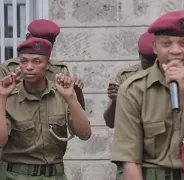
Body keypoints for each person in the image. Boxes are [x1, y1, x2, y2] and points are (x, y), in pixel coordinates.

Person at [111, 10, 184, 180]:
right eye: (166, 44)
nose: (176, 51)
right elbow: (130, 160)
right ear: (154, 47)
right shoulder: (133, 89)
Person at [0, 37, 91, 179]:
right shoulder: (9, 97)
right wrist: (1, 98)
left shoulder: (61, 94)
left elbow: (85, 134)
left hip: (55, 175)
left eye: (36, 61)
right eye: (24, 61)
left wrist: (70, 97)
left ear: (48, 65)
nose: (29, 67)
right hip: (15, 175)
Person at [0, 19, 85, 110]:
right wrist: (14, 85)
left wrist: (77, 92)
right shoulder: (8, 68)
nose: (42, 48)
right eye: (37, 43)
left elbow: (76, 114)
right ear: (27, 37)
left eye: (48, 45)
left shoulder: (60, 69)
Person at [104, 31, 157, 128]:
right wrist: (116, 101)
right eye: (147, 63)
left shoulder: (171, 76)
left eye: (154, 62)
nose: (151, 68)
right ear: (139, 54)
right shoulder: (125, 77)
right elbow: (110, 122)